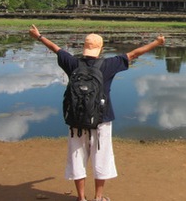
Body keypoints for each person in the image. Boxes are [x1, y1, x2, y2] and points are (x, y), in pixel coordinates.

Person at [29, 24, 165, 201]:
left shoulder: (72, 63)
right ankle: (98, 198)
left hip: (76, 121)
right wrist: (156, 42)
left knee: (77, 158)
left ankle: (81, 198)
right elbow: (134, 54)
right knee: (101, 158)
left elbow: (56, 49)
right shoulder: (108, 65)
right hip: (102, 119)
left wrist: (39, 36)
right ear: (101, 49)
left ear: (84, 47)